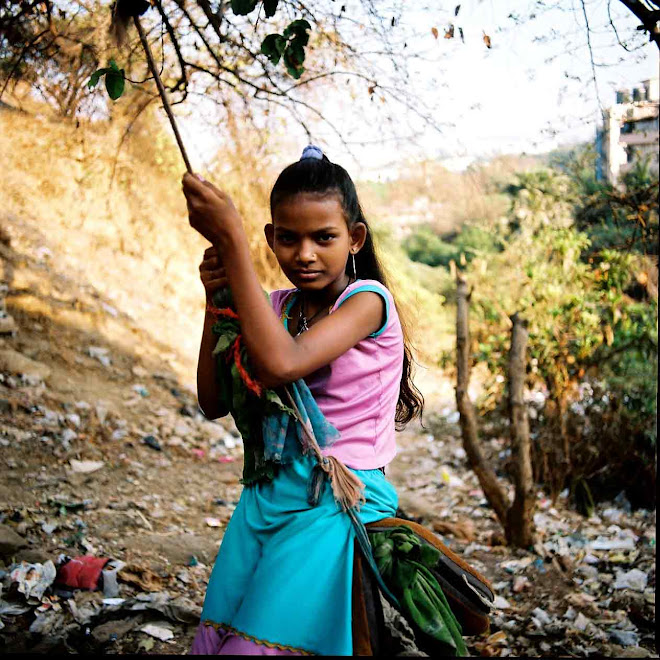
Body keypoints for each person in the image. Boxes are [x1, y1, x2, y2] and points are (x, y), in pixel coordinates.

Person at [184, 146, 424, 656]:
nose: (305, 253)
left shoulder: (366, 302)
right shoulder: (274, 307)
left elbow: (282, 364)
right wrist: (217, 298)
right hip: (267, 494)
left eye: (324, 237)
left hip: (335, 502)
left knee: (255, 650)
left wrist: (232, 242)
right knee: (216, 643)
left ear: (354, 238)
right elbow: (211, 400)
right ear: (271, 238)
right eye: (288, 238)